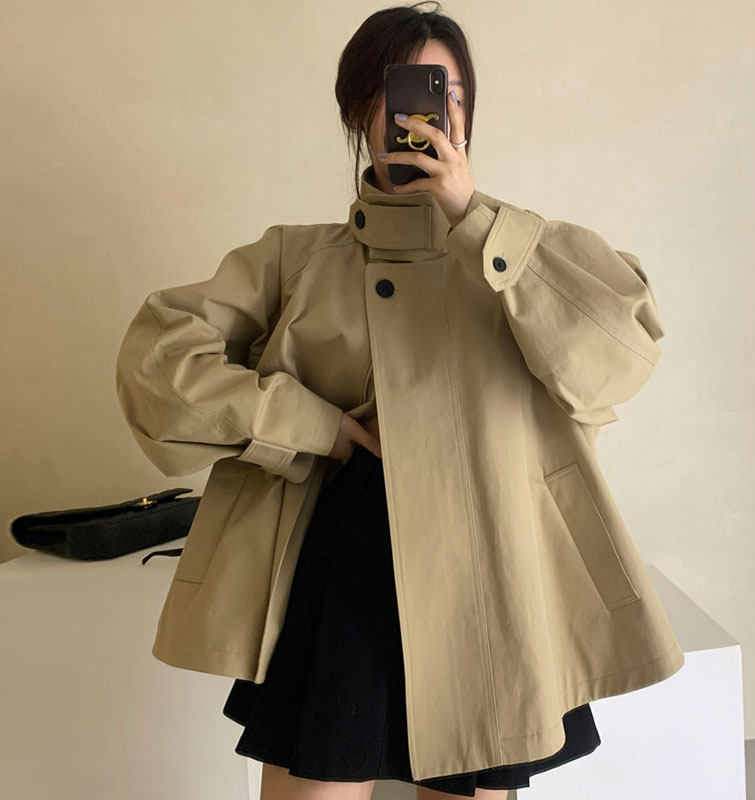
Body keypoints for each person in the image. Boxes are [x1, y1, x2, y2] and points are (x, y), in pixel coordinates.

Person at [221, 4, 601, 799]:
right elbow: (161, 363)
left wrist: (474, 219)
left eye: (450, 93)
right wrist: (310, 425)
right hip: (348, 557)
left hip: (491, 559)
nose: (432, 115)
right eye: (409, 92)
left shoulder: (526, 250)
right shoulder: (299, 258)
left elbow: (612, 356)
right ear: (360, 110)